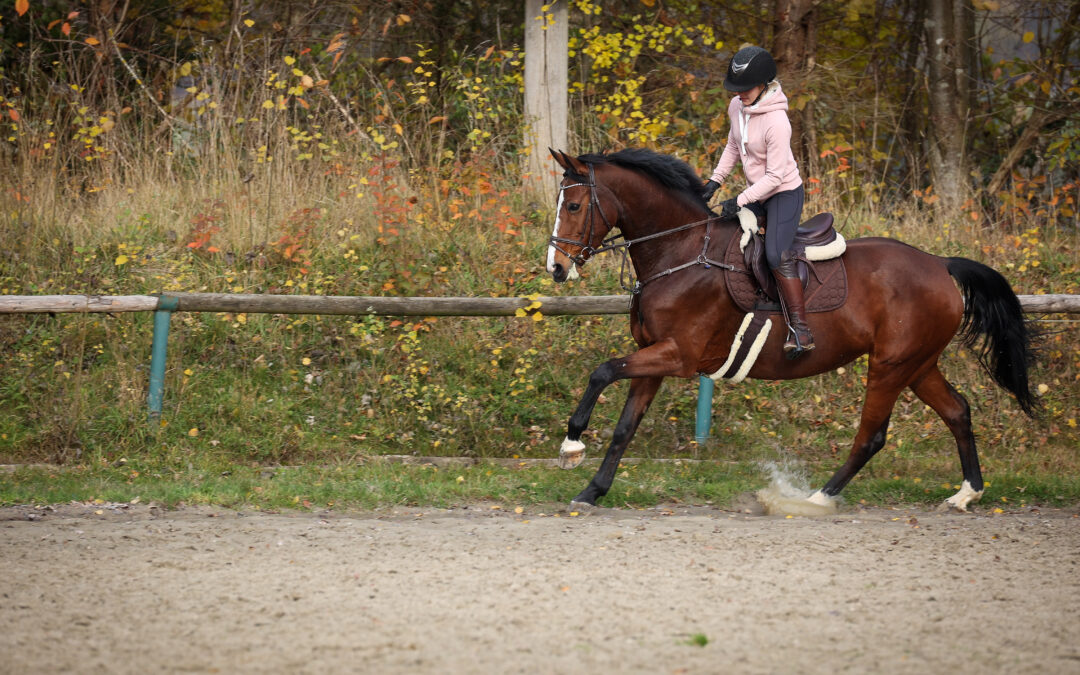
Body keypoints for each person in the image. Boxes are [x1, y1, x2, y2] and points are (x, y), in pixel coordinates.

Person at [701, 45, 813, 355]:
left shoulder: (777, 122)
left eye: (745, 88)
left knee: (776, 254)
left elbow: (776, 177)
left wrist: (739, 199)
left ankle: (801, 330)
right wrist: (714, 181)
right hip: (756, 191)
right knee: (724, 235)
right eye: (735, 89)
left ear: (764, 83)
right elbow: (733, 148)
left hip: (783, 193)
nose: (739, 94)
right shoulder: (736, 107)